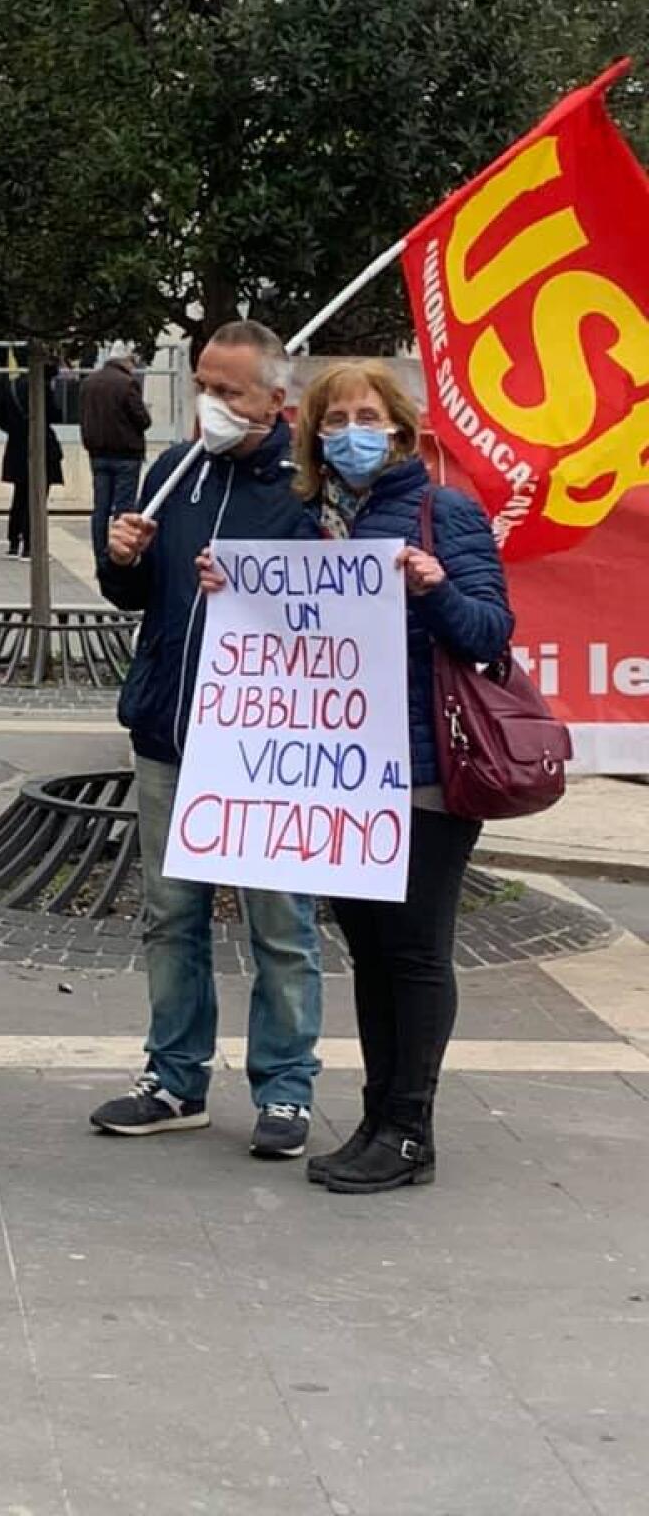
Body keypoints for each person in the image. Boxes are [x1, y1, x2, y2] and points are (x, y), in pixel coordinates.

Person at [264, 360, 509, 1192]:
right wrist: (238, 596)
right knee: (368, 951)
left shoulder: (445, 513)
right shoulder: (310, 523)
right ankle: (378, 1114)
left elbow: (489, 633)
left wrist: (434, 589)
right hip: (344, 779)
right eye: (333, 421)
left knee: (413, 952)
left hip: (425, 775)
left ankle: (410, 1128)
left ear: (401, 429)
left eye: (366, 416)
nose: (350, 433)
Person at [88, 320, 324, 1158]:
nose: (210, 405)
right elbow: (134, 595)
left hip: (265, 741)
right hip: (169, 726)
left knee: (279, 921)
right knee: (170, 913)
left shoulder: (307, 491)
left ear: (277, 402)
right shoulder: (173, 473)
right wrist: (122, 555)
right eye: (201, 387)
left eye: (229, 391)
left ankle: (287, 1087)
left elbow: (328, 617)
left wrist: (260, 588)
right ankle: (175, 1077)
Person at [79, 342, 152, 564]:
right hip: (126, 454)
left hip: (97, 454)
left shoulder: (89, 382)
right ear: (126, 361)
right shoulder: (127, 384)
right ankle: (119, 554)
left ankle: (100, 554)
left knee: (100, 507)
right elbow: (143, 420)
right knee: (123, 508)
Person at [0, 360, 63, 558]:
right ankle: (31, 545)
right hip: (39, 446)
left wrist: (14, 430)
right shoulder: (41, 389)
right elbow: (55, 414)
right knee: (37, 497)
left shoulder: (12, 385)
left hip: (16, 447)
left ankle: (14, 541)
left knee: (20, 495)